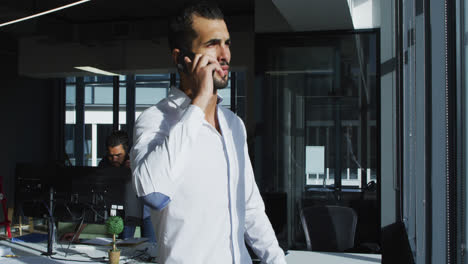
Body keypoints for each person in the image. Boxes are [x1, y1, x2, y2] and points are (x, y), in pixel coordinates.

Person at [130, 1, 286, 263]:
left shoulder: (233, 124)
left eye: (227, 43)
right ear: (181, 58)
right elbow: (153, 193)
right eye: (213, 44)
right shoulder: (155, 120)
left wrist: (276, 260)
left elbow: (250, 208)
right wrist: (200, 101)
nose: (225, 54)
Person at [100, 130, 156, 243]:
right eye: (111, 156)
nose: (114, 159)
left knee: (150, 249)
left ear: (127, 151)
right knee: (121, 248)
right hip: (123, 214)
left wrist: (136, 167)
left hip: (146, 212)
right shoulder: (105, 164)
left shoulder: (139, 158)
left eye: (118, 155)